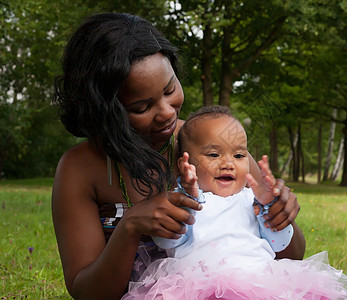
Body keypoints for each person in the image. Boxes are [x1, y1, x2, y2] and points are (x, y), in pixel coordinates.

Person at [52, 12, 305, 299]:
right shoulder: (80, 169)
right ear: (104, 112)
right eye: (141, 107)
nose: (167, 112)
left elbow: (291, 257)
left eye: (170, 89)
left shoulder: (212, 143)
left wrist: (280, 215)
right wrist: (130, 227)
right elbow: (86, 291)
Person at [122, 105, 347, 299]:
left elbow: (278, 244)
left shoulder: (251, 201)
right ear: (187, 164)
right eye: (214, 155)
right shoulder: (187, 201)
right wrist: (187, 198)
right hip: (200, 287)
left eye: (239, 155)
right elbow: (166, 241)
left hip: (261, 282)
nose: (228, 163)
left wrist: (269, 208)